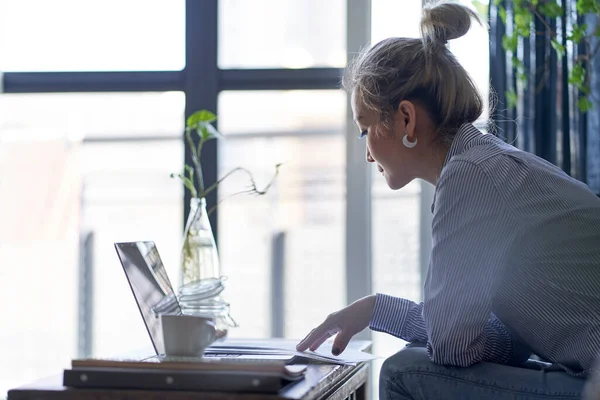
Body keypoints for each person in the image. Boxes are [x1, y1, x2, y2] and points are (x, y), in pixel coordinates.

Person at [295, 1, 600, 399]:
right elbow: (503, 341)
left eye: (365, 129)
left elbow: (454, 346)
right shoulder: (487, 163)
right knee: (418, 354)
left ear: (406, 119)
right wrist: (377, 309)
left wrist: (414, 322)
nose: (367, 153)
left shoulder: (471, 176)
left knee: (405, 370)